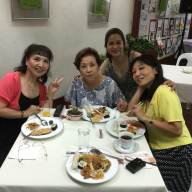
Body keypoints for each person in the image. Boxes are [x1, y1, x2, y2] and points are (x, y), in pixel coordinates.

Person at [127, 54, 192, 192]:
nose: (137, 73)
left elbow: (177, 130)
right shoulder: (148, 94)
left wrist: (145, 119)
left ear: (155, 70)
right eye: (134, 72)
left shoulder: (164, 91)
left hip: (177, 152)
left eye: (141, 68)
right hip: (157, 149)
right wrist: (141, 87)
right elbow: (129, 112)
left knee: (147, 183)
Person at [73, 28, 176, 111]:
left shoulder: (134, 57)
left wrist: (165, 80)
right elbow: (98, 79)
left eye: (118, 42)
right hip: (121, 106)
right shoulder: (106, 65)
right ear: (106, 46)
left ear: (123, 43)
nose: (115, 47)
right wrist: (83, 77)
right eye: (111, 43)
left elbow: (150, 71)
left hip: (141, 100)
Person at [0, 44, 65, 167]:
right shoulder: (11, 79)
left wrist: (50, 94)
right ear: (26, 60)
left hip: (30, 139)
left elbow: (44, 113)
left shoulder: (41, 87)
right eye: (37, 59)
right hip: (6, 139)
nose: (41, 64)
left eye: (46, 61)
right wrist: (24, 113)